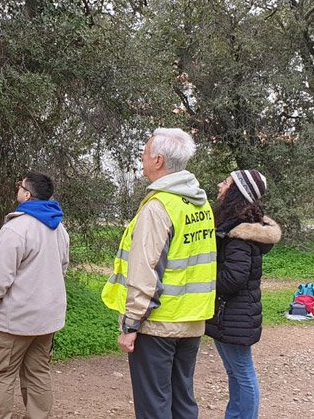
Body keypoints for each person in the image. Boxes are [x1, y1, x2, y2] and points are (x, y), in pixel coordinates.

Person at [102, 128, 216, 419]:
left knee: (154, 405)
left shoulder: (158, 207)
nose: (141, 157)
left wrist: (131, 325)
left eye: (145, 152)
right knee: (182, 400)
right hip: (191, 321)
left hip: (158, 325)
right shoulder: (201, 205)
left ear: (159, 160)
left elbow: (144, 272)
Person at [0, 171, 70, 419]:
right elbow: (62, 267)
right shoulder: (59, 228)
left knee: (1, 374)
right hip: (47, 319)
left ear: (27, 194)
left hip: (13, 320)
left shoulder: (16, 229)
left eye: (19, 186)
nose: (17, 188)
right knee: (38, 372)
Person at [206, 170, 280, 419]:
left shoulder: (238, 234)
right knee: (236, 372)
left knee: (243, 374)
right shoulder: (234, 227)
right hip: (234, 315)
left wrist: (202, 280)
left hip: (234, 315)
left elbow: (233, 278)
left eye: (226, 182)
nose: (220, 184)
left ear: (237, 191)